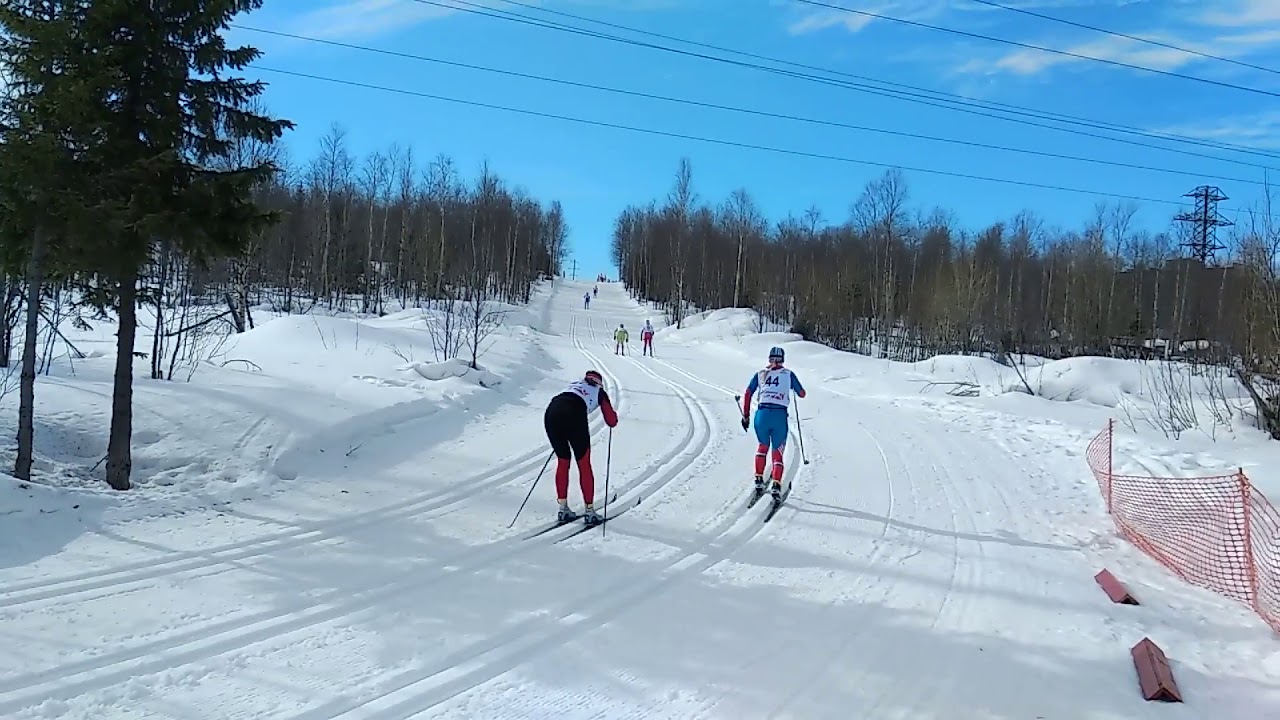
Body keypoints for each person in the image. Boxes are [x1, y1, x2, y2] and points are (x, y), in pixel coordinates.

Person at [544, 370, 618, 525]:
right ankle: (589, 511)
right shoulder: (599, 392)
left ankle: (563, 509)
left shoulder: (573, 384)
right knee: (584, 464)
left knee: (563, 461)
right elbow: (611, 420)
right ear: (599, 382)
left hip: (552, 412)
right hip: (574, 414)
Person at [740, 346, 806, 500]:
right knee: (777, 452)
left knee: (762, 446)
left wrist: (746, 416)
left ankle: (758, 479)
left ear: (769, 359)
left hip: (761, 416)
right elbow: (802, 394)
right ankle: (776, 484)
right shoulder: (788, 374)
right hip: (779, 416)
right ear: (783, 359)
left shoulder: (760, 374)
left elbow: (748, 393)